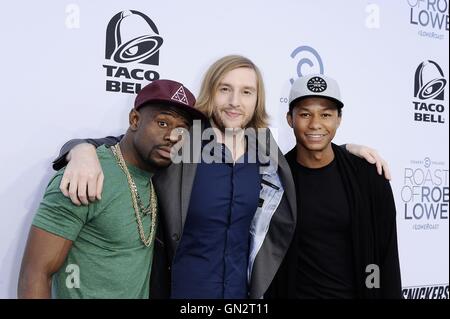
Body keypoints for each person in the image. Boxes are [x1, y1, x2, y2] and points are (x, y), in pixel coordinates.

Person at [51, 55, 391, 299]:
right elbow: (132, 146)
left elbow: (313, 153)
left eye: (246, 91)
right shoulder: (184, 142)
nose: (234, 101)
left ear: (258, 99)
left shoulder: (266, 153)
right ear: (210, 93)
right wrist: (81, 149)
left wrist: (348, 150)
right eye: (225, 89)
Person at [18, 79, 205, 298]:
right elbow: (34, 275)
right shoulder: (85, 175)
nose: (172, 137)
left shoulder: (157, 177)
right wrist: (80, 150)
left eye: (182, 131)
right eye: (162, 123)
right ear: (134, 119)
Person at [268, 74, 402, 298]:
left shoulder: (368, 177)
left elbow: (385, 254)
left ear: (339, 119)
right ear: (290, 119)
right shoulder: (275, 178)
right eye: (305, 114)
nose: (315, 124)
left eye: (326, 114)